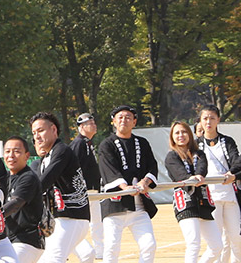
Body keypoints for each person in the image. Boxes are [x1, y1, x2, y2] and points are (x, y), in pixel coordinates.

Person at [97, 105, 157, 263]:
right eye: (120, 117)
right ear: (114, 122)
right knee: (111, 248)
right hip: (115, 205)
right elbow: (109, 170)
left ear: (134, 122)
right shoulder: (106, 145)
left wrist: (145, 181)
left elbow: (152, 166)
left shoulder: (142, 143)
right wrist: (125, 188)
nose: (124, 120)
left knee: (149, 245)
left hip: (139, 206)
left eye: (128, 117)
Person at [29, 112, 90, 263]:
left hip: (72, 218)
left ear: (54, 130)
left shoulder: (61, 150)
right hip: (59, 220)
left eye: (40, 131)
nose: (37, 136)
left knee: (53, 259)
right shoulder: (43, 160)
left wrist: (20, 199)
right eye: (34, 133)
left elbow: (44, 182)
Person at [165, 122, 222, 263]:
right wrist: (191, 178)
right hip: (185, 203)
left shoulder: (199, 153)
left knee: (217, 246)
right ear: (172, 137)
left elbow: (202, 169)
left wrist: (198, 176)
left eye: (184, 132)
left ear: (190, 134)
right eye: (177, 133)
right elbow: (180, 175)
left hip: (203, 201)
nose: (181, 135)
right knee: (194, 244)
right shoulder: (171, 156)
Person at [196, 105, 241, 263]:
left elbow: (236, 159)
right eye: (205, 118)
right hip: (209, 197)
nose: (208, 122)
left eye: (212, 118)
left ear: (218, 120)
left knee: (236, 236)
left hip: (228, 194)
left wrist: (232, 173)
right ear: (200, 121)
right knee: (218, 240)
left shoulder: (227, 141)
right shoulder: (196, 145)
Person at [2, 137, 44, 263]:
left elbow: (15, 204)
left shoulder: (28, 178)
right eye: (7, 151)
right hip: (8, 240)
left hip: (27, 241)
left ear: (27, 156)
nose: (11, 156)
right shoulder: (3, 178)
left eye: (16, 151)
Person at [70, 113, 103, 261]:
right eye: (90, 122)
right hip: (84, 191)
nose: (94, 124)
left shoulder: (87, 143)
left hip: (91, 189)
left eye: (94, 121)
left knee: (96, 221)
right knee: (87, 222)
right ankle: (94, 250)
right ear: (81, 127)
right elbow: (74, 167)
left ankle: (99, 250)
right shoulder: (79, 144)